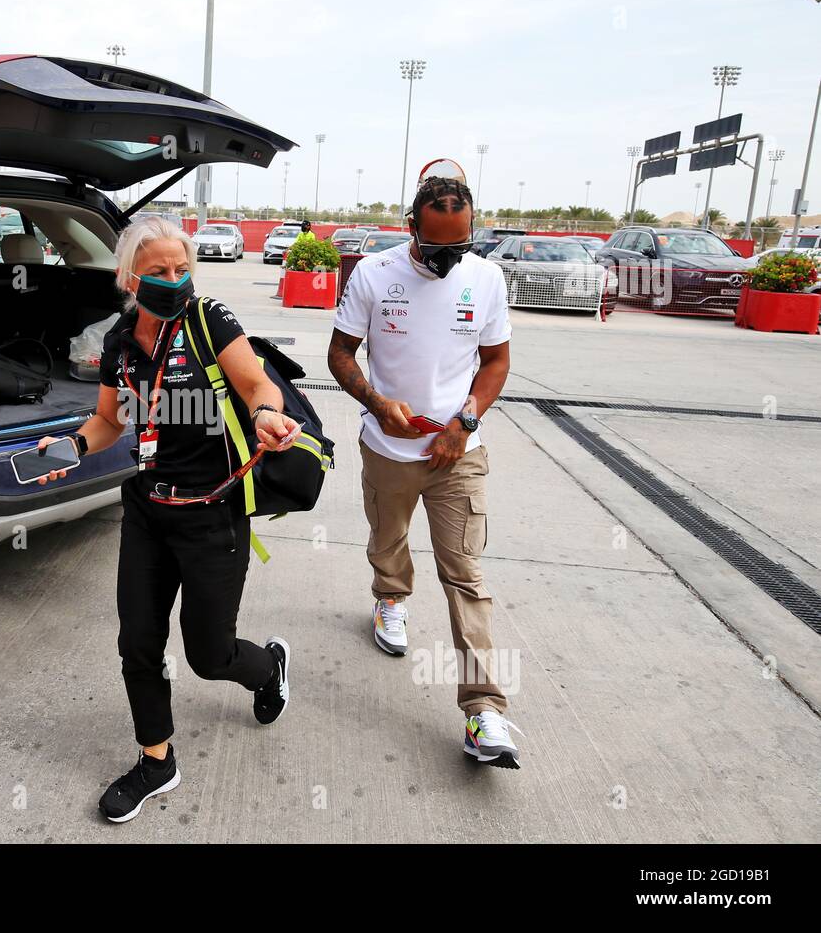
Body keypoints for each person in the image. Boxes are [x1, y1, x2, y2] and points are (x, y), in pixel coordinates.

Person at [36, 216, 302, 821]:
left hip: (213, 514)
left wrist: (265, 415)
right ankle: (157, 761)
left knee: (209, 655)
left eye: (181, 268)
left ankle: (267, 668)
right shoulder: (119, 341)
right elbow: (109, 420)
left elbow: (257, 382)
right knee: (138, 643)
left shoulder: (210, 320)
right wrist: (71, 447)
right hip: (148, 512)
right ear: (130, 276)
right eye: (158, 271)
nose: (173, 279)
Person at [326, 176, 523, 769]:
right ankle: (390, 597)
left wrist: (465, 421)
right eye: (437, 249)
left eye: (459, 248)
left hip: (458, 454)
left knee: (465, 574)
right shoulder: (374, 275)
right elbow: (339, 353)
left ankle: (484, 711)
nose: (449, 261)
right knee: (388, 542)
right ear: (411, 227)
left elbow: (496, 362)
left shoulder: (485, 279)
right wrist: (377, 403)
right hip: (388, 449)